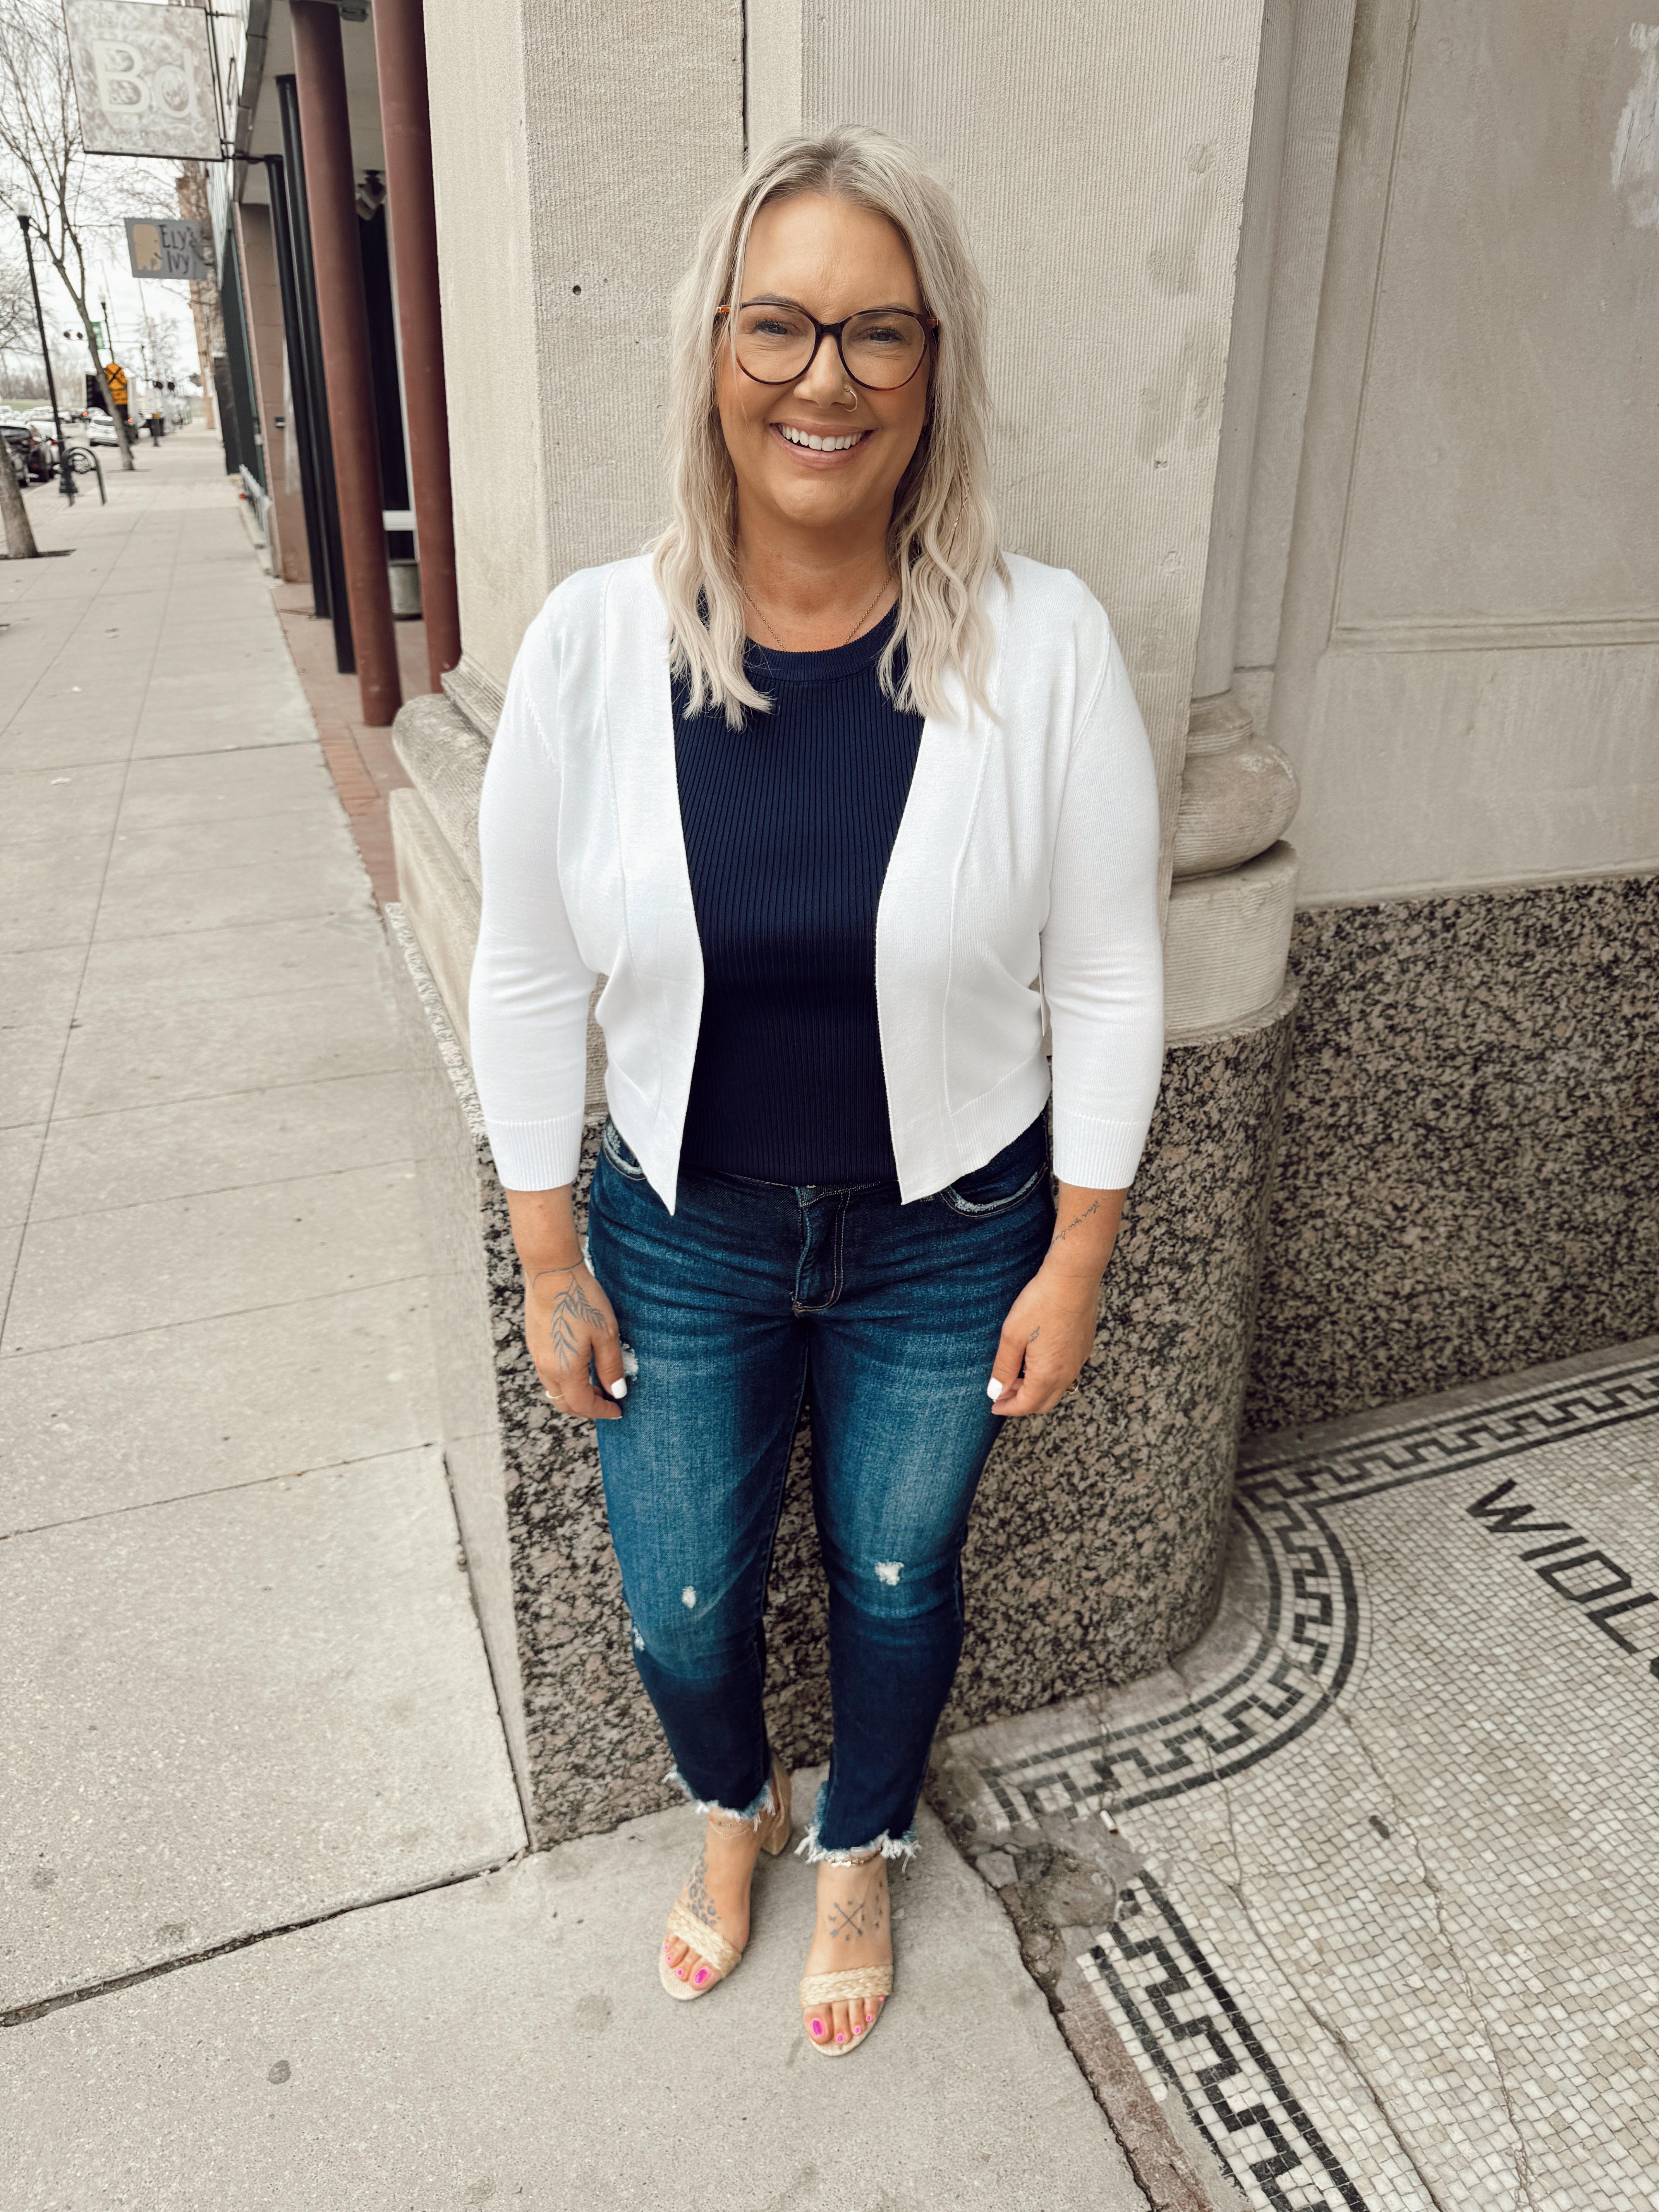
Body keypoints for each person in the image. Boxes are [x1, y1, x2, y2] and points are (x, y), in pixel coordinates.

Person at [469, 125, 1163, 2059]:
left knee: (890, 1571)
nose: (824, 381)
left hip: (952, 1244)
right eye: (777, 327)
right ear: (713, 352)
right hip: (677, 1238)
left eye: (877, 333)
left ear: (934, 371)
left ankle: (855, 1840)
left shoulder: (1050, 646)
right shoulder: (596, 649)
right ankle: (732, 1806)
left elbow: (1108, 971)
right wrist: (547, 1251)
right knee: (686, 1607)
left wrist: (1081, 1250)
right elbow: (527, 968)